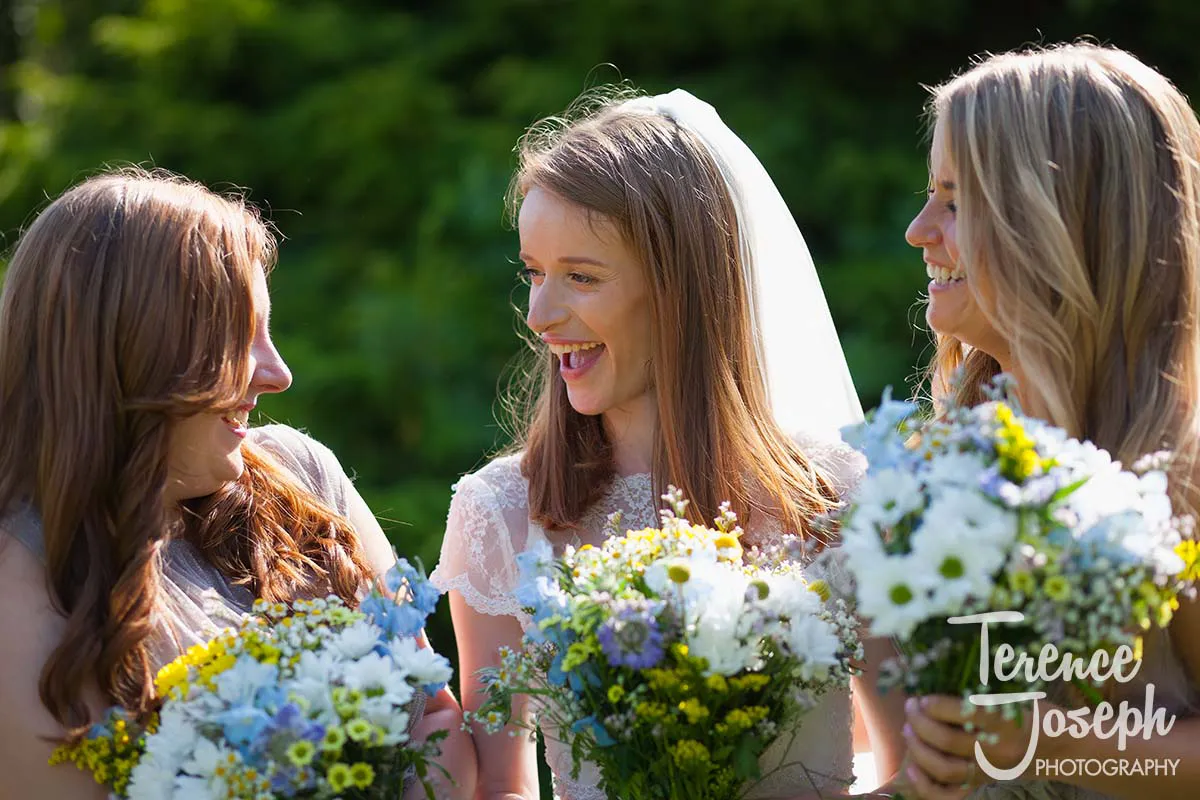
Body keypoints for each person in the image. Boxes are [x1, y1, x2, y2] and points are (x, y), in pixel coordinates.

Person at [432, 87, 904, 799]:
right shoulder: (499, 513)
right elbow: (501, 786)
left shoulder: (832, 494)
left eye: (581, 277)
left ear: (681, 288)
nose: (540, 314)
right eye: (533, 273)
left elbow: (915, 770)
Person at [0, 168, 476, 799]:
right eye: (237, 337)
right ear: (134, 348)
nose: (277, 373)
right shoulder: (22, 595)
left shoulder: (304, 481)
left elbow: (435, 716)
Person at [901, 43, 1200, 799]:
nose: (918, 230)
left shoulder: (1181, 468)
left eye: (956, 202)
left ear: (1063, 225)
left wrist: (1041, 743)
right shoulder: (952, 442)